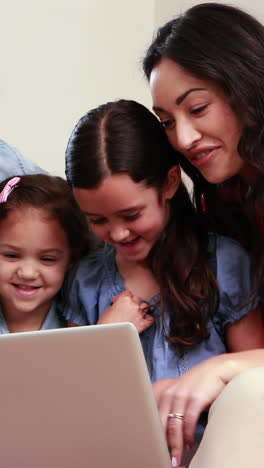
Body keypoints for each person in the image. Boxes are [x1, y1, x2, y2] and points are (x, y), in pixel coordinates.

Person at [63, 99, 264, 465]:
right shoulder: (86, 279)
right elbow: (71, 398)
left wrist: (194, 384)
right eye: (97, 219)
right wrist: (107, 332)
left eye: (132, 214)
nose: (118, 232)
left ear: (170, 183)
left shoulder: (223, 263)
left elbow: (255, 373)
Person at [143, 2, 264, 465]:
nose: (184, 138)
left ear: (246, 88)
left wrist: (223, 368)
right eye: (168, 122)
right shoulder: (220, 199)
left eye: (198, 108)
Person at [0, 173, 89, 333]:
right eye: (11, 255)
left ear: (71, 259)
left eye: (47, 259)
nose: (27, 273)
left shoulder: (83, 322)